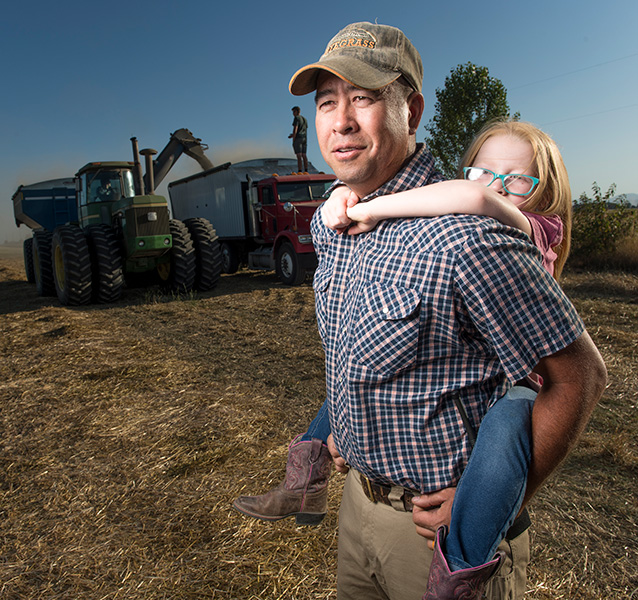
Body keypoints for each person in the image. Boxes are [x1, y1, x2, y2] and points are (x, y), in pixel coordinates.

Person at [235, 21, 607, 600]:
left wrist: (490, 503)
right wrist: (349, 431)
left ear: (411, 107)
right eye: (327, 101)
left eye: (363, 98)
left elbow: (579, 377)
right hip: (356, 508)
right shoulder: (335, 223)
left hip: (431, 538)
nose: (342, 121)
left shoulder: (468, 237)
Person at [289, 106, 309, 172]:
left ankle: (300, 170)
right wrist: (292, 135)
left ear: (297, 111)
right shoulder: (304, 119)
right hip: (304, 138)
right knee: (304, 155)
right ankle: (306, 170)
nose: (293, 113)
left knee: (299, 155)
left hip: (298, 138)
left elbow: (295, 129)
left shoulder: (296, 118)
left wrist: (293, 139)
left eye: (294, 111)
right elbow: (303, 129)